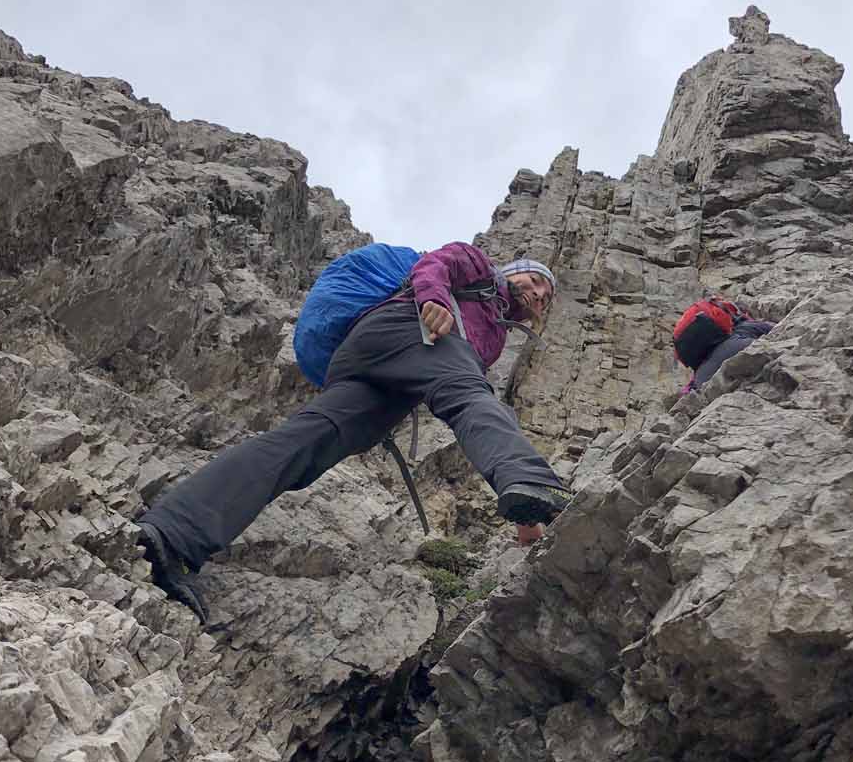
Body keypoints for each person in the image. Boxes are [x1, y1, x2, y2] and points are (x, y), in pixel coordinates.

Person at [136, 245, 571, 623]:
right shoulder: (480, 268)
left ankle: (173, 535)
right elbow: (436, 265)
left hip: (367, 359)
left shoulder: (495, 332)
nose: (538, 294)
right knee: (471, 395)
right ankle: (532, 480)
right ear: (513, 270)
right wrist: (435, 299)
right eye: (535, 280)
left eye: (545, 296)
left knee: (301, 446)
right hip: (412, 326)